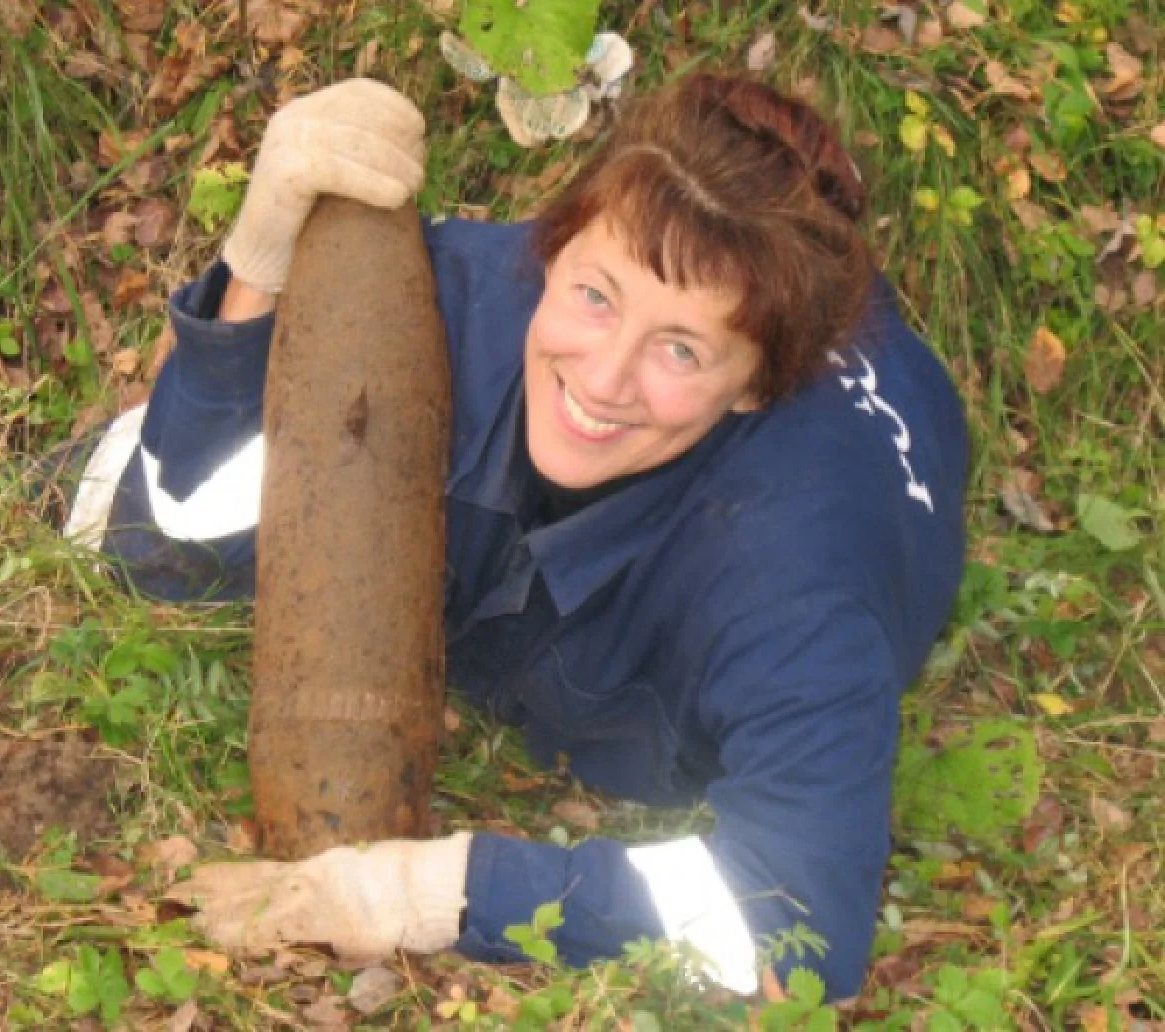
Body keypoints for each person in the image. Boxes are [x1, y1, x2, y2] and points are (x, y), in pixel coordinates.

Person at [62, 74, 968, 1000]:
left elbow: (798, 927)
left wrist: (438, 893)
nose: (604, 379)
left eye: (681, 350)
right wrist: (259, 270)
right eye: (596, 295)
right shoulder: (450, 307)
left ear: (754, 388)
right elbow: (172, 531)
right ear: (552, 247)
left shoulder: (795, 583)